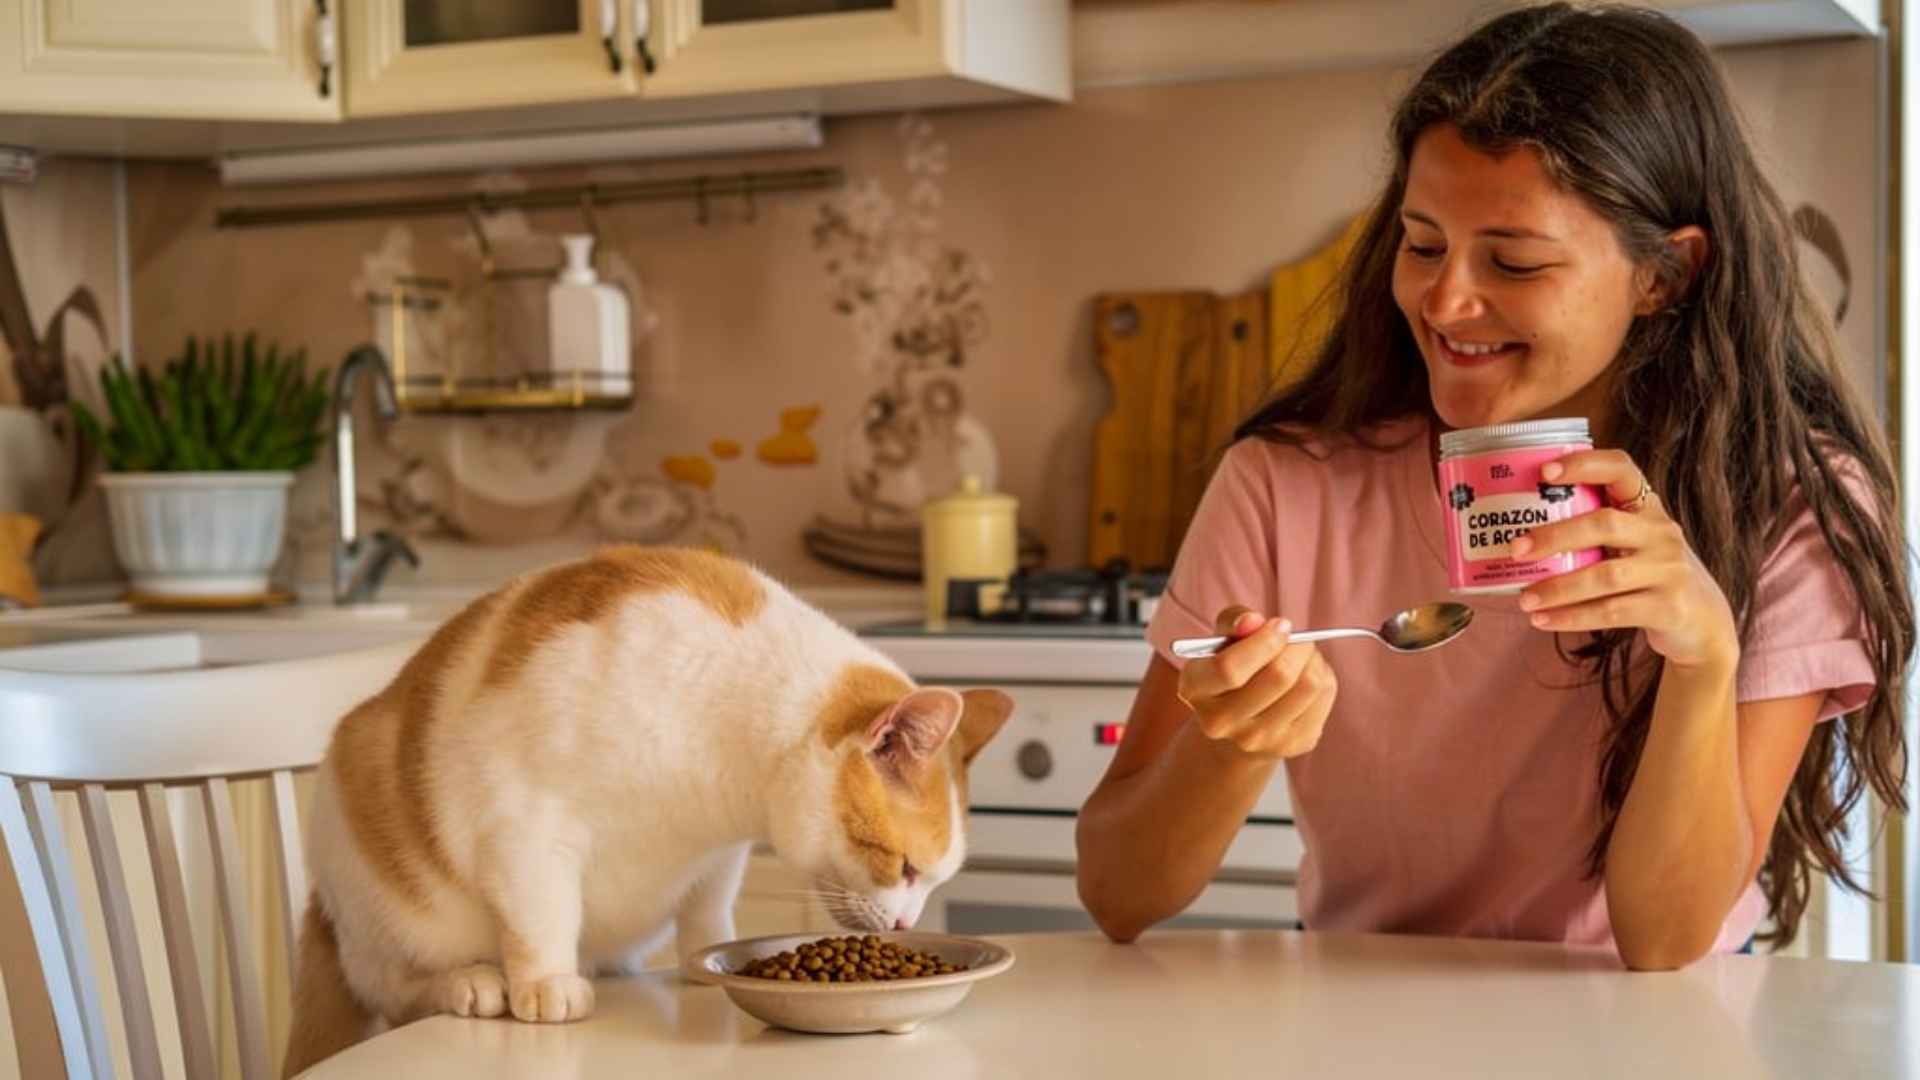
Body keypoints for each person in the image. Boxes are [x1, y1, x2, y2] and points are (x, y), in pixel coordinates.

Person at [1074, 2, 1913, 970]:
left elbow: (1668, 943)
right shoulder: (1286, 483)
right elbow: (1117, 894)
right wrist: (1231, 740)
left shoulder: (1791, 502)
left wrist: (1701, 660)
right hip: (1363, 1026)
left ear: (1666, 275)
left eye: (1514, 260)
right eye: (1422, 243)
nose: (1444, 300)